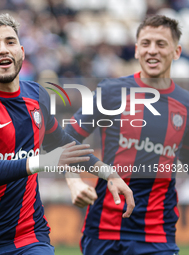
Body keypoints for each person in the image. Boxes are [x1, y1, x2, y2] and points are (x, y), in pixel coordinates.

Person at [0, 13, 134, 255]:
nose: (3, 49)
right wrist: (43, 162)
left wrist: (108, 173)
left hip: (30, 235)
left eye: (10, 42)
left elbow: (62, 143)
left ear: (22, 52)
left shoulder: (37, 95)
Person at [65, 15, 189, 255]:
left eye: (161, 44)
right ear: (136, 50)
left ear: (176, 51)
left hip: (158, 234)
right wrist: (73, 180)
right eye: (146, 43)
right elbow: (62, 140)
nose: (152, 50)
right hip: (104, 230)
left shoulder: (185, 105)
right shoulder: (110, 92)